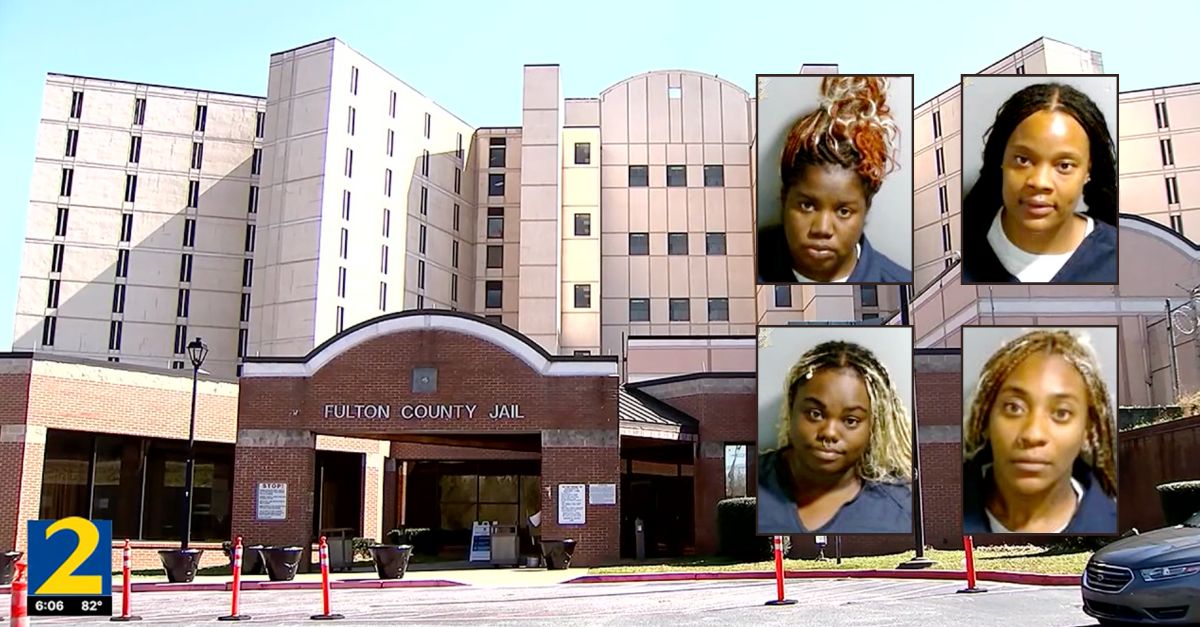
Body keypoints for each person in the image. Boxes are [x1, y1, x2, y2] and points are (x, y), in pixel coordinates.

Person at [757, 76, 911, 284]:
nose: (822, 229)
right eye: (807, 206)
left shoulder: (901, 287)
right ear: (785, 199)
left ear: (866, 208)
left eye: (843, 211)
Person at [962, 329, 1118, 533]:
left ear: (1087, 431)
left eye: (1061, 413)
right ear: (985, 420)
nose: (1033, 435)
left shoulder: (1112, 528)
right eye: (1014, 407)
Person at [961, 82, 1118, 284]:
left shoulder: (1121, 256)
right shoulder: (961, 254)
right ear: (1001, 160)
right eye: (1023, 160)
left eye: (1064, 165)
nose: (1040, 182)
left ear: (1088, 170)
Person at [758, 341, 913, 534]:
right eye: (815, 413)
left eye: (850, 420)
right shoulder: (757, 482)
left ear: (873, 426)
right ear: (792, 409)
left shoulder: (900, 510)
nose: (829, 433)